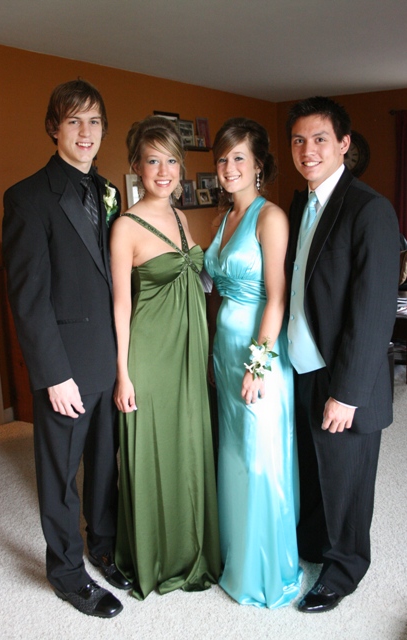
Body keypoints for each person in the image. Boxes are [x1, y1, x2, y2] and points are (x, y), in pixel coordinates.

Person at [2, 79, 130, 618]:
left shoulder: (110, 192)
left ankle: (103, 545)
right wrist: (53, 374)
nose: (85, 132)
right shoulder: (27, 197)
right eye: (74, 120)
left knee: (104, 466)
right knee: (59, 478)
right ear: (55, 127)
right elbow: (28, 298)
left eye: (94, 121)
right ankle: (67, 574)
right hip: (65, 369)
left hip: (108, 359)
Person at [285, 96, 400, 613]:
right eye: (299, 140)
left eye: (319, 139)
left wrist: (347, 394)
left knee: (347, 481)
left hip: (345, 376)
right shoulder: (300, 204)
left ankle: (345, 569)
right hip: (302, 365)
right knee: (314, 471)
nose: (308, 150)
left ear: (343, 144)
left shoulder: (370, 209)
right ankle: (313, 546)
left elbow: (373, 312)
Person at [111, 115, 220, 600]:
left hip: (189, 351)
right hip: (150, 355)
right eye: (153, 161)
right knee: (154, 450)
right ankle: (156, 555)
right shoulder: (125, 226)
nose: (163, 171)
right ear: (136, 165)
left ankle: (191, 546)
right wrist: (123, 374)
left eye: (172, 161)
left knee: (190, 444)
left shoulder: (181, 217)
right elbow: (120, 304)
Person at [204, 117, 303, 608]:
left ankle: (266, 570)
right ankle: (236, 557)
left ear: (259, 164)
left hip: (258, 351)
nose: (229, 167)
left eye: (239, 157)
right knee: (234, 454)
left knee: (260, 453)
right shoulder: (221, 220)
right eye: (222, 159)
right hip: (224, 350)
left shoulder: (271, 217)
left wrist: (258, 365)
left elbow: (277, 299)